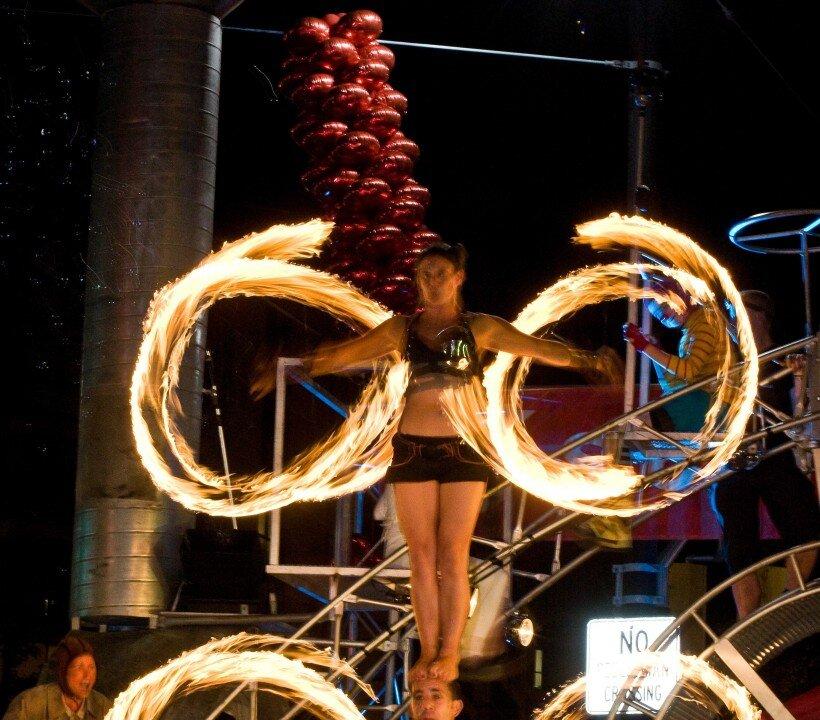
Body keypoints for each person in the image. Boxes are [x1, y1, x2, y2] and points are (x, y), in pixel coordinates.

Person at [252, 242, 621, 681]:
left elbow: (536, 348)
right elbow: (344, 354)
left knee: (452, 555)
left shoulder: (479, 328)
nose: (432, 282)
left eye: (440, 273)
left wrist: (590, 360)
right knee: (421, 558)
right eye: (424, 274)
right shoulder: (400, 330)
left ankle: (450, 650)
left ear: (458, 277)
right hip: (411, 449)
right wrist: (291, 366)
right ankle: (429, 651)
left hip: (462, 450)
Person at [711, 290, 819, 618]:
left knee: (809, 534)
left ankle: (784, 603)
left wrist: (798, 375)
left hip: (775, 454)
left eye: (744, 313)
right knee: (739, 552)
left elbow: (803, 418)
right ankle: (749, 622)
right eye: (734, 313)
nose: (736, 321)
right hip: (736, 458)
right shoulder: (727, 360)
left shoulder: (787, 359)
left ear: (761, 317)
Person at [623, 274, 726, 432]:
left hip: (712, 404)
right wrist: (653, 348)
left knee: (641, 425)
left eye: (664, 307)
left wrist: (645, 346)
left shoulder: (706, 323)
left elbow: (688, 371)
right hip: (701, 401)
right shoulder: (691, 330)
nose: (664, 316)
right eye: (659, 317)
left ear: (679, 295)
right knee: (639, 425)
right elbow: (672, 384)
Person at [2, 634, 111, 720]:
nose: (88, 675)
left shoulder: (103, 706)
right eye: (79, 667)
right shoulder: (28, 704)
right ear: (62, 672)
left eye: (92, 667)